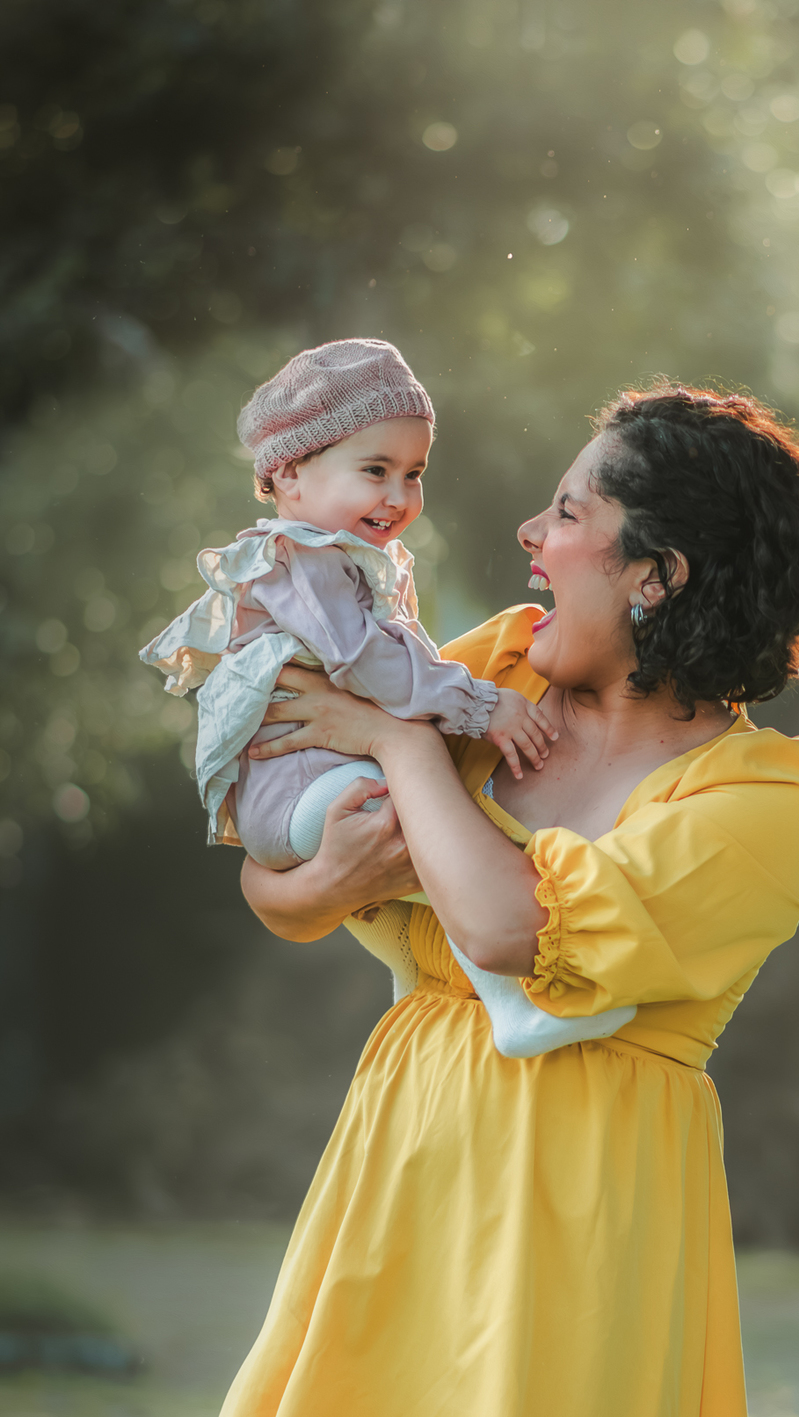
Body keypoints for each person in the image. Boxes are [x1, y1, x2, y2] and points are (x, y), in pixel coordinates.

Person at [139, 383, 799, 1417]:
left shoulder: (763, 793)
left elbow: (502, 931)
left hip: (592, 1198)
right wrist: (343, 850)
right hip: (409, 1147)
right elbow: (279, 888)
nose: (532, 538)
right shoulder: (495, 670)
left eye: (571, 514)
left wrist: (406, 750)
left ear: (659, 573)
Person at [139, 335, 631, 1057]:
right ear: (290, 475)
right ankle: (515, 1004)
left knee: (433, 828)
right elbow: (366, 661)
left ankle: (413, 979)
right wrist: (476, 705)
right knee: (446, 837)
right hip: (303, 790)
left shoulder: (340, 558)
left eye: (413, 472)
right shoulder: (300, 559)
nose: (398, 496)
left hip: (307, 788)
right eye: (375, 470)